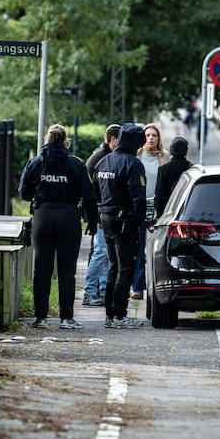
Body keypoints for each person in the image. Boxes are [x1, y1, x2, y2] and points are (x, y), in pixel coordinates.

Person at [18, 124, 98, 329]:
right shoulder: (76, 165)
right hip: (68, 218)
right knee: (66, 270)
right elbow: (89, 195)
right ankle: (66, 318)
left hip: (42, 217)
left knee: (41, 269)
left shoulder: (35, 163)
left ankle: (41, 318)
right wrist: (92, 222)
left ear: (47, 140)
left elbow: (24, 193)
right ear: (65, 142)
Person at [93, 122, 146, 328]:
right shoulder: (132, 163)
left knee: (113, 266)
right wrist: (138, 221)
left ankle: (109, 313)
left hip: (105, 218)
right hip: (125, 221)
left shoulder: (104, 161)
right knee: (126, 268)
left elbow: (95, 190)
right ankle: (120, 314)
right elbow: (139, 198)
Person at [81, 124, 120, 307]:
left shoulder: (103, 155)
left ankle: (103, 291)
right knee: (101, 251)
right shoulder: (100, 157)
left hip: (100, 209)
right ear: (113, 140)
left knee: (105, 252)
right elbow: (88, 184)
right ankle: (89, 292)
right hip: (99, 209)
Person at [132, 123, 168, 300]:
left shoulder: (164, 157)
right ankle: (137, 287)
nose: (151, 138)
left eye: (154, 135)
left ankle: (157, 287)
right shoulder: (136, 156)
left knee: (157, 249)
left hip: (158, 209)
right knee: (138, 248)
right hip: (139, 207)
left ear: (158, 138)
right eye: (148, 135)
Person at [155, 137, 192, 216]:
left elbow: (160, 196)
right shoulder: (192, 168)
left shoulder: (163, 169)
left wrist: (159, 214)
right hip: (186, 212)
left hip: (167, 212)